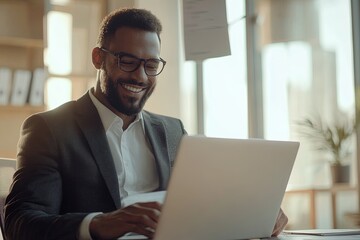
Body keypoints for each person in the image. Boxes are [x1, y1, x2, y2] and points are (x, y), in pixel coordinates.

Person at [4, 8, 288, 240]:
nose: (140, 76)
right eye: (127, 61)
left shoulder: (173, 131)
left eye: (151, 65)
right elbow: (21, 223)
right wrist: (98, 224)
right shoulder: (50, 129)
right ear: (98, 58)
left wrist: (257, 211)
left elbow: (203, 205)